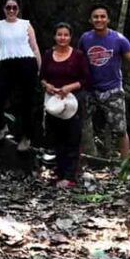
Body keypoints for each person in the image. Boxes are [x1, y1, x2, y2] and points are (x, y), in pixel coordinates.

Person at [78, 3, 130, 160]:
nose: (99, 19)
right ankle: (85, 161)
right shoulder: (85, 39)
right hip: (90, 89)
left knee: (120, 130)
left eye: (102, 16)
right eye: (96, 17)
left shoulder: (118, 39)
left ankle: (124, 166)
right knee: (82, 124)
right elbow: (78, 60)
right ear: (90, 20)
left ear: (108, 19)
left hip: (112, 90)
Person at [0, 0, 42, 151]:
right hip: (7, 63)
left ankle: (26, 137)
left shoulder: (25, 25)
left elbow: (34, 47)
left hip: (27, 62)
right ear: (3, 9)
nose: (11, 10)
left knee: (26, 102)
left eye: (14, 7)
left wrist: (39, 68)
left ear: (18, 9)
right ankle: (0, 126)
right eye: (8, 7)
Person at [40, 23, 89, 187]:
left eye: (66, 35)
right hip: (53, 101)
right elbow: (42, 77)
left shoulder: (78, 56)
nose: (62, 38)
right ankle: (59, 173)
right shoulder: (48, 54)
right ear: (54, 37)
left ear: (70, 37)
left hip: (73, 101)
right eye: (59, 34)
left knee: (72, 138)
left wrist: (69, 88)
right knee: (57, 137)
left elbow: (85, 79)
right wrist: (47, 86)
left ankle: (70, 176)